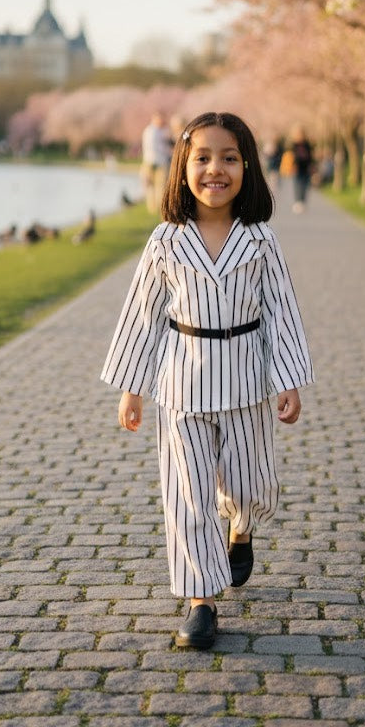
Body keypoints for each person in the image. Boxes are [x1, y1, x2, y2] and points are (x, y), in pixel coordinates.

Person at [101, 111, 313, 651]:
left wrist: (288, 377)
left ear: (247, 168)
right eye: (202, 158)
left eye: (228, 158)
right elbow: (142, 313)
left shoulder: (260, 240)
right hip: (182, 383)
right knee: (188, 495)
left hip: (247, 382)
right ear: (182, 167)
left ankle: (241, 528)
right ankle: (201, 601)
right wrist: (133, 387)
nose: (214, 170)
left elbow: (281, 311)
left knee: (250, 485)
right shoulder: (167, 239)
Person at [140, 112, 172, 214]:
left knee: (157, 186)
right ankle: (156, 207)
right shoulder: (154, 132)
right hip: (156, 162)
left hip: (152, 162)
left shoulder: (153, 131)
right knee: (157, 185)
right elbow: (161, 148)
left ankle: (156, 207)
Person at [288, 125, 314, 213]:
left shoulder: (307, 144)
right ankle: (298, 202)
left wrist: (311, 166)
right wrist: (292, 166)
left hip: (306, 167)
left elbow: (310, 156)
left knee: (305, 186)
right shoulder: (294, 144)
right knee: (297, 185)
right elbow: (291, 156)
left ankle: (302, 202)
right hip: (297, 168)